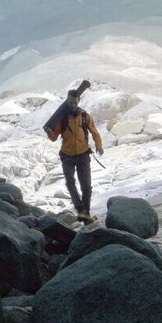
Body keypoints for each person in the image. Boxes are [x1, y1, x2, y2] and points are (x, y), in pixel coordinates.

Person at [44, 88, 104, 223]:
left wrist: (99, 145)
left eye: (75, 103)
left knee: (86, 187)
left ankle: (86, 214)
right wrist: (49, 133)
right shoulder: (62, 118)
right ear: (67, 101)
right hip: (67, 155)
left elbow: (94, 132)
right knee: (70, 182)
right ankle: (80, 209)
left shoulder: (85, 116)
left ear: (79, 101)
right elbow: (54, 137)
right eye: (70, 102)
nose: (72, 105)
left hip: (83, 155)